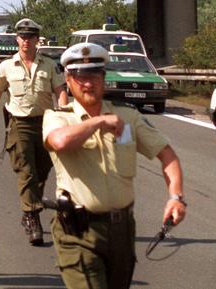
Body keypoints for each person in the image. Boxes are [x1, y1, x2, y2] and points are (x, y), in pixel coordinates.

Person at [44, 43, 187, 289]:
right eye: (80, 78)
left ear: (104, 77)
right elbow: (60, 141)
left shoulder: (128, 117)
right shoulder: (59, 117)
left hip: (122, 230)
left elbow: (167, 155)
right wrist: (99, 122)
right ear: (68, 79)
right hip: (79, 232)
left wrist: (176, 197)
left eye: (94, 76)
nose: (88, 84)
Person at [0, 18, 68, 245]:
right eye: (22, 37)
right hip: (20, 124)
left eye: (30, 37)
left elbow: (60, 91)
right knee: (26, 170)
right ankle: (34, 218)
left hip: (47, 123)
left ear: (37, 40)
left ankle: (27, 211)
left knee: (42, 170)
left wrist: (65, 115)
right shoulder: (7, 66)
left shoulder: (49, 65)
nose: (26, 41)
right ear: (17, 39)